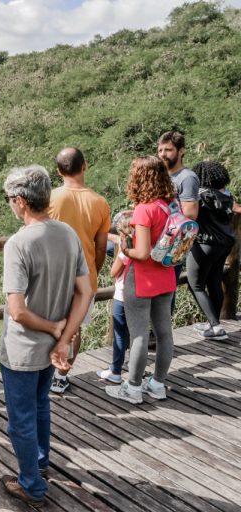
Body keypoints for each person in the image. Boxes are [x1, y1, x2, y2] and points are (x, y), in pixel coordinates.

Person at [0, 165, 92, 508]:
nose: (10, 204)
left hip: (23, 349)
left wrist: (55, 330)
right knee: (40, 406)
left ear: (21, 201)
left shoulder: (18, 244)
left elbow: (18, 311)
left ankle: (31, 486)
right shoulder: (66, 233)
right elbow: (85, 291)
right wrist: (64, 336)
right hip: (53, 349)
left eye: (10, 199)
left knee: (20, 419)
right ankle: (37, 465)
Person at [106, 156, 177, 404]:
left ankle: (133, 387)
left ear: (140, 178)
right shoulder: (168, 205)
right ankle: (157, 384)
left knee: (138, 335)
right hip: (165, 277)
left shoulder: (144, 210)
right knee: (165, 333)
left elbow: (143, 253)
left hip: (142, 279)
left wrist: (124, 247)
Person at [47, 147, 111, 394]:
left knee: (46, 325)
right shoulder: (100, 203)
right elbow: (102, 246)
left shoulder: (50, 199)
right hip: (85, 277)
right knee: (75, 329)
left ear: (58, 171)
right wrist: (93, 270)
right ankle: (61, 376)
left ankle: (43, 374)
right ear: (85, 166)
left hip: (53, 277)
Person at [187, 160, 236, 340]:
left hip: (204, 243)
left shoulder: (201, 195)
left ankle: (215, 327)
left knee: (195, 284)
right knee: (214, 281)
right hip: (225, 243)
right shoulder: (226, 195)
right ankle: (213, 323)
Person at [158, 131, 198, 313]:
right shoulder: (161, 175)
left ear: (181, 151)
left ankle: (163, 333)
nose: (163, 154)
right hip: (158, 240)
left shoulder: (187, 178)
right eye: (160, 150)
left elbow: (190, 214)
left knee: (167, 290)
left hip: (175, 243)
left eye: (168, 150)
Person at [97, 211, 133, 383]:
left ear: (121, 232)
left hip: (122, 295)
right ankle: (135, 369)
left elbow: (113, 272)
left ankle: (116, 371)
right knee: (135, 333)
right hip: (140, 295)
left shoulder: (125, 252)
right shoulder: (144, 245)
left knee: (120, 333)